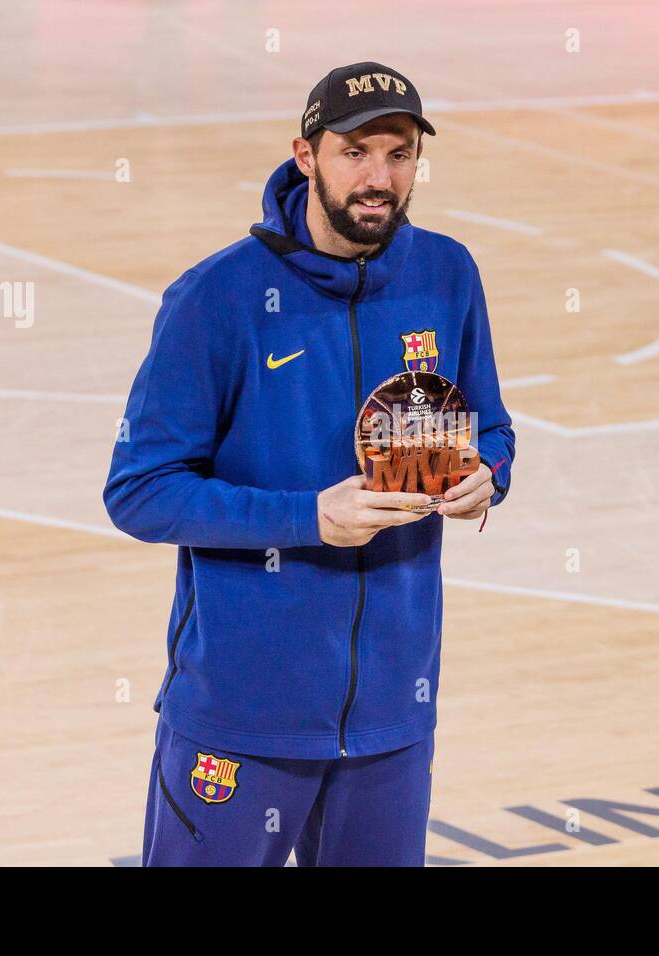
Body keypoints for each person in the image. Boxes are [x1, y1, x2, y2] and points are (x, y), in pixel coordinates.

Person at [103, 61, 515, 866]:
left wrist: (486, 477)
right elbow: (140, 491)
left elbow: (492, 428)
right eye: (355, 151)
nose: (378, 178)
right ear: (305, 154)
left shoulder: (447, 274)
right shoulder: (217, 298)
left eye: (398, 155)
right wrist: (306, 518)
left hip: (394, 711)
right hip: (242, 714)